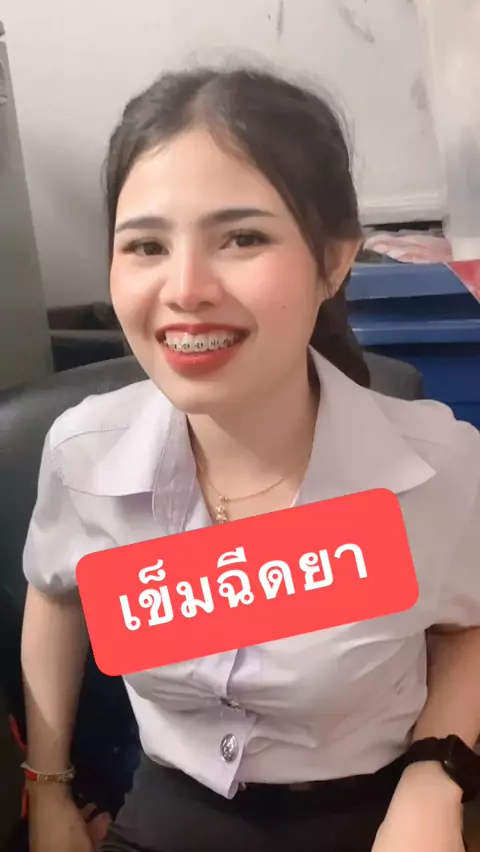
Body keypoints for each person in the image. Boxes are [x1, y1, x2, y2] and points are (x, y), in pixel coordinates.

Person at [20, 66, 480, 852]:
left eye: (242, 238)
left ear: (334, 258)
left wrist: (435, 778)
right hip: (172, 806)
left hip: (370, 816)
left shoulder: (438, 469)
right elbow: (56, 590)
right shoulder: (83, 456)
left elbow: (469, 624)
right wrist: (49, 787)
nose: (185, 289)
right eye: (147, 245)